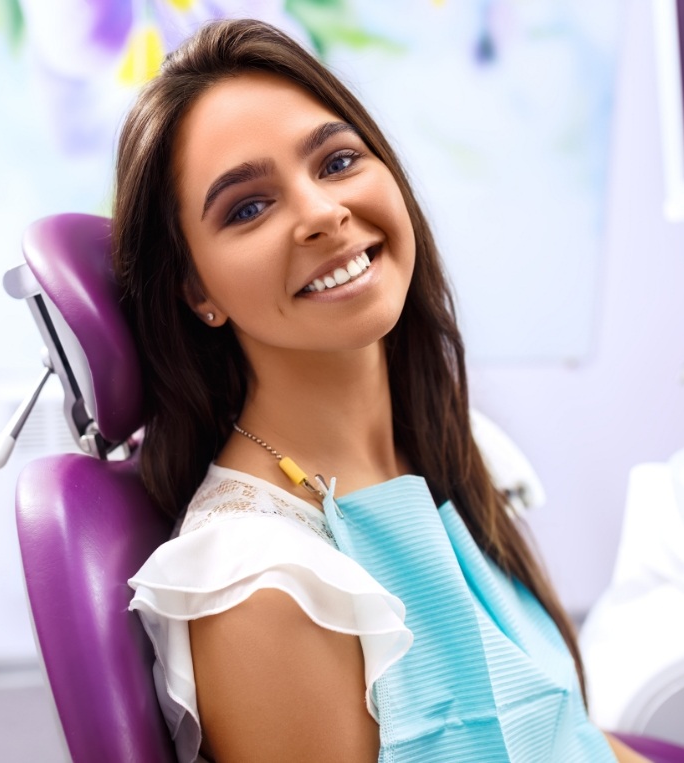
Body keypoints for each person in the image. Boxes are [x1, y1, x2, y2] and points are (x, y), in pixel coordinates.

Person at [118, 18, 649, 763]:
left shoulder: (436, 445)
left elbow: (570, 738)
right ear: (197, 289)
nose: (321, 213)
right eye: (247, 207)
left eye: (336, 161)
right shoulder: (263, 587)